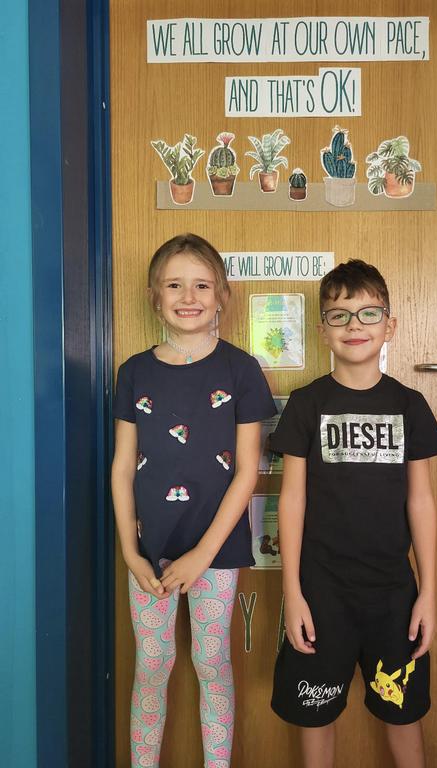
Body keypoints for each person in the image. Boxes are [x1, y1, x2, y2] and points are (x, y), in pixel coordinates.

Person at [270, 259, 437, 768]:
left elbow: (421, 501)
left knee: (402, 712)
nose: (355, 325)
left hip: (393, 593)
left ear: (390, 326)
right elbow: (292, 500)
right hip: (320, 592)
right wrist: (292, 593)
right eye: (340, 315)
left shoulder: (409, 404)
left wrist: (428, 593)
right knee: (314, 716)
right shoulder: (306, 403)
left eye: (369, 313)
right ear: (322, 330)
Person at [111, 233, 276, 768]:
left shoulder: (240, 369)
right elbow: (122, 466)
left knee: (211, 662)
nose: (189, 296)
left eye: (202, 285)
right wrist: (130, 552)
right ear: (154, 296)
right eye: (174, 285)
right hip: (149, 550)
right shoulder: (134, 371)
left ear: (222, 295)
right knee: (151, 666)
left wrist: (203, 554)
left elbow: (248, 470)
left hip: (216, 550)